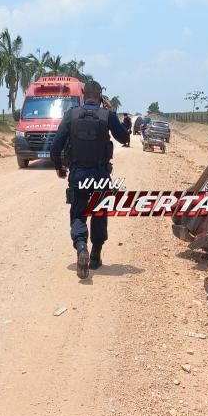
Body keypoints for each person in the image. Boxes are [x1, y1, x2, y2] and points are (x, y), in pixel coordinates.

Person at [50, 80, 130, 279]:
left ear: (84, 94)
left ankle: (81, 247)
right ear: (100, 96)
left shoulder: (71, 115)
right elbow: (123, 138)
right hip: (101, 176)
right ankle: (95, 255)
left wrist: (59, 167)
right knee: (99, 214)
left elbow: (55, 146)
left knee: (78, 215)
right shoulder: (107, 115)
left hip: (78, 177)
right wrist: (112, 113)